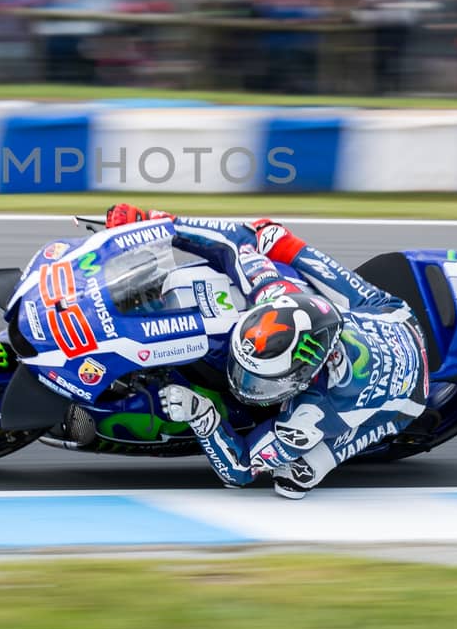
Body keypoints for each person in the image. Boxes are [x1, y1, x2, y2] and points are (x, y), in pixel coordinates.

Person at [104, 204, 430, 499]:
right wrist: (153, 222)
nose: (242, 382)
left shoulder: (308, 417)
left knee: (292, 479)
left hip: (404, 399)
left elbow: (241, 470)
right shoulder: (275, 294)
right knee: (270, 237)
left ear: (301, 381)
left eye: (259, 380)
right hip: (392, 315)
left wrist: (202, 417)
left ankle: (323, 461)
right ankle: (286, 245)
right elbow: (234, 240)